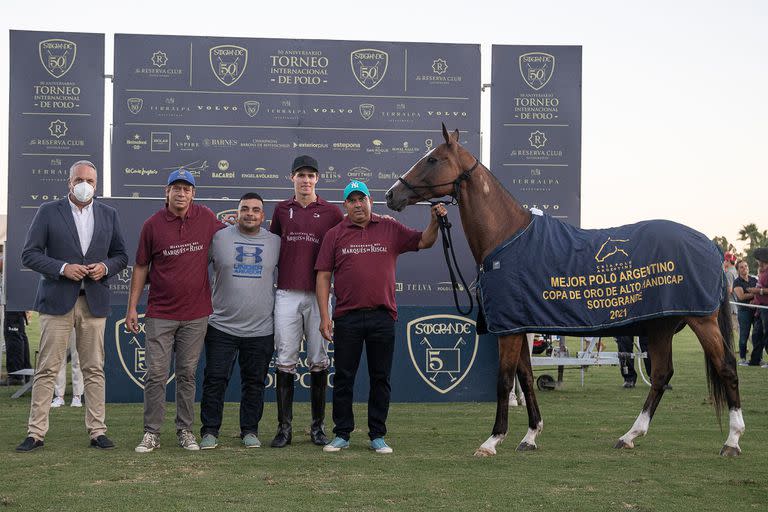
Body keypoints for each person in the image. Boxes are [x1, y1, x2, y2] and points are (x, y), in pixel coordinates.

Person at [315, 180, 445, 454]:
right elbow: (324, 276)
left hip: (382, 317)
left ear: (370, 201)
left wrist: (434, 221)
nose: (358, 204)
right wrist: (324, 316)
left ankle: (377, 435)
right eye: (352, 200)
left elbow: (424, 241)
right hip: (347, 317)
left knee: (380, 378)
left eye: (362, 199)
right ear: (345, 206)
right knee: (344, 378)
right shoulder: (335, 234)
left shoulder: (389, 227)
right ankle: (342, 434)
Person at [16, 160, 128, 452]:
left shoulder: (109, 214)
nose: (85, 184)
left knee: (94, 368)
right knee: (47, 368)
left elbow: (121, 256)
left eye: (90, 180)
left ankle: (97, 431)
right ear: (69, 182)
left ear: (96, 184)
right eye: (79, 179)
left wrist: (105, 267)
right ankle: (35, 433)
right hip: (57, 303)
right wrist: (63, 267)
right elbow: (29, 254)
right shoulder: (48, 211)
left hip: (93, 303)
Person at [126, 168, 226, 453]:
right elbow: (142, 266)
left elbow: (230, 242)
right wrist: (133, 307)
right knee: (156, 374)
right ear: (166, 192)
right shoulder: (152, 225)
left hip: (196, 314)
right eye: (176, 188)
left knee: (186, 374)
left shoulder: (206, 218)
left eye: (187, 189)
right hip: (160, 313)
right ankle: (152, 433)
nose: (181, 193)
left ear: (193, 194)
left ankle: (185, 431)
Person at [269, 155, 343, 448]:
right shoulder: (280, 210)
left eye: (311, 175)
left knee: (318, 360)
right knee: (285, 360)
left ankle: (317, 428)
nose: (306, 180)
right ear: (292, 178)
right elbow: (272, 248)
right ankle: (284, 428)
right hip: (286, 293)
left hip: (319, 296)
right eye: (301, 175)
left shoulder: (332, 212)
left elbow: (348, 238)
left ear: (317, 179)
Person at [199, 193, 280, 449]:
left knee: (254, 383)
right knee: (215, 380)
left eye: (256, 210)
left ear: (263, 216)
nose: (250, 214)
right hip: (221, 325)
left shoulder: (276, 242)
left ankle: (250, 431)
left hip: (260, 328)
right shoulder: (219, 237)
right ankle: (210, 430)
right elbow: (194, 267)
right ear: (237, 212)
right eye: (245, 209)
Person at [746, 248, 768, 367]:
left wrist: (757, 291)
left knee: (766, 334)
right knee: (756, 335)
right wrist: (754, 299)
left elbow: (762, 289)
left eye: (758, 259)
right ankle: (755, 361)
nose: (757, 261)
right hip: (760, 308)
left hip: (766, 308)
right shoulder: (762, 272)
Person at [733, 259, 757, 365]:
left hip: (756, 311)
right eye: (742, 267)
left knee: (757, 336)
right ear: (738, 270)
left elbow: (760, 292)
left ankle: (757, 358)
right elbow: (741, 296)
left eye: (746, 266)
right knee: (744, 335)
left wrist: (754, 296)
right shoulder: (737, 282)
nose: (745, 269)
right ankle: (742, 358)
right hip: (744, 312)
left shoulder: (753, 279)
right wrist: (756, 293)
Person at [51, 330, 84, 407]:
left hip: (77, 323)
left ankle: (77, 396)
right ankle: (59, 396)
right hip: (61, 321)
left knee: (77, 361)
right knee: (60, 360)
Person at [2, 310, 31, 386]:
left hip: (13, 304)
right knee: (19, 333)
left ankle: (16, 376)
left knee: (13, 334)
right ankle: (25, 372)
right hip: (17, 304)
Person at [724, 252, 739, 332]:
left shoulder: (729, 273)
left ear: (728, 261)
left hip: (731, 305)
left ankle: (756, 344)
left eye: (724, 260)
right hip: (736, 304)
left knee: (739, 330)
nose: (723, 262)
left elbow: (729, 290)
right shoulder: (735, 271)